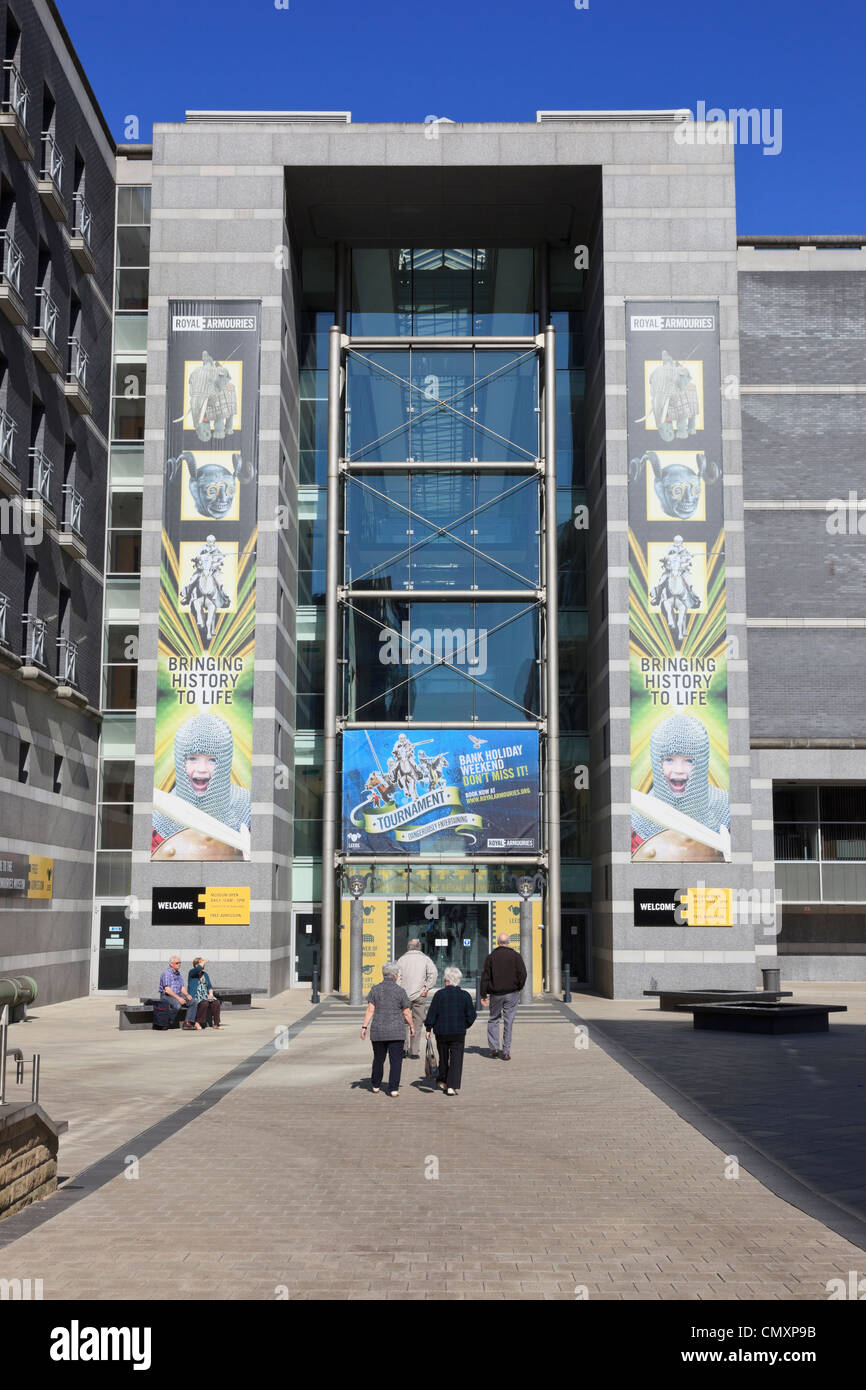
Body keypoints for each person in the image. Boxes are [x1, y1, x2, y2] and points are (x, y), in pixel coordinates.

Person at [151, 712, 251, 856]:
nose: (202, 769)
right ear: (180, 761)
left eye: (212, 760)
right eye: (192, 759)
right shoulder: (161, 817)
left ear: (225, 762)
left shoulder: (246, 808)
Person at [631, 712, 730, 857]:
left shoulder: (725, 809)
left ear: (701, 762)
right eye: (669, 760)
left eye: (689, 760)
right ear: (657, 763)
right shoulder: (639, 818)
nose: (678, 770)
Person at [361, 962, 414, 1096]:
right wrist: (412, 1026)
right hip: (396, 1031)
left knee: (378, 1059)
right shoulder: (400, 991)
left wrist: (364, 1027)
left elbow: (370, 1010)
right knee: (396, 1061)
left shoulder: (375, 989)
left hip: (378, 1030)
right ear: (395, 976)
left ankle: (376, 1085)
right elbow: (406, 1012)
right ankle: (393, 1089)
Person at [424, 965, 477, 1096]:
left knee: (443, 1057)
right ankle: (451, 1086)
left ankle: (443, 1080)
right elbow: (471, 1015)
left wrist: (428, 1028)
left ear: (447, 980)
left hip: (441, 1032)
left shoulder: (439, 995)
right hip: (458, 1032)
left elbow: (432, 1013)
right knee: (456, 1059)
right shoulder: (464, 995)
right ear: (457, 980)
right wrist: (465, 1025)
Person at [481, 933, 527, 1060]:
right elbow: (523, 973)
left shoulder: (491, 957)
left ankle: (494, 1048)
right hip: (512, 993)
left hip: (496, 994)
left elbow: (485, 976)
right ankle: (506, 1051)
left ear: (498, 942)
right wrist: (518, 986)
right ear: (508, 942)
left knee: (493, 1019)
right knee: (509, 1021)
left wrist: (483, 994)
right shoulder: (516, 956)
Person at [395, 939, 438, 1058]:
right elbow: (433, 974)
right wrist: (427, 988)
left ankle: (403, 1049)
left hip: (404, 996)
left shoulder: (402, 959)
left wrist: (400, 991)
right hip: (420, 995)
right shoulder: (425, 959)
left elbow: (398, 977)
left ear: (408, 947)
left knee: (403, 1023)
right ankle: (414, 1052)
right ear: (419, 947)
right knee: (417, 1023)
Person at [184, 956, 222, 1030]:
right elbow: (198, 969)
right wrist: (203, 962)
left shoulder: (205, 974)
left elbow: (210, 987)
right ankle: (197, 1022)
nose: (203, 965)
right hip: (196, 995)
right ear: (196, 965)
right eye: (201, 964)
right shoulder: (192, 972)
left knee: (216, 1002)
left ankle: (216, 1024)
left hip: (205, 995)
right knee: (204, 1003)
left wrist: (210, 994)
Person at [158, 955, 193, 1027]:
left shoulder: (178, 974)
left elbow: (182, 987)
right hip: (167, 996)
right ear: (171, 964)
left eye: (180, 963)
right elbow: (167, 990)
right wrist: (179, 998)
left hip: (178, 994)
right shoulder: (166, 974)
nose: (179, 964)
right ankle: (167, 1020)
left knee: (193, 1002)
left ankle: (187, 1022)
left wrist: (187, 995)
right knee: (177, 1005)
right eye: (177, 963)